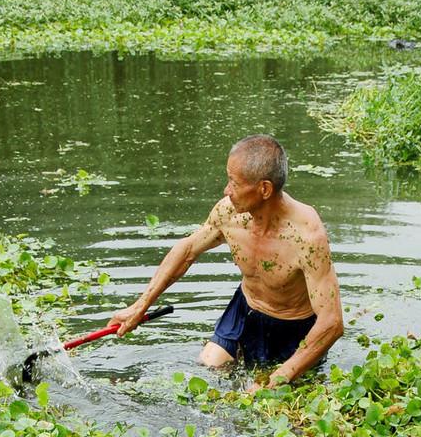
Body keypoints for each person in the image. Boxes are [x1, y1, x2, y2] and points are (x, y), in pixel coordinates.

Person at [109, 134, 343, 390]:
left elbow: (331, 322)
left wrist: (278, 378)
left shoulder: (306, 235)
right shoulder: (229, 212)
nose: (226, 190)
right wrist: (139, 306)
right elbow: (187, 250)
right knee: (207, 370)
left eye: (234, 182)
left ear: (264, 189)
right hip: (245, 310)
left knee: (274, 400)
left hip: (293, 327)